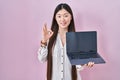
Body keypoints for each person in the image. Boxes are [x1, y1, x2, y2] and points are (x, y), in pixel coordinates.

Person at [37, 3, 94, 80]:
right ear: (55, 18)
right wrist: (44, 41)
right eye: (59, 16)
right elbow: (42, 59)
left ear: (71, 17)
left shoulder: (77, 39)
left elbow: (77, 66)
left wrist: (85, 62)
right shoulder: (50, 37)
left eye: (66, 15)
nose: (62, 19)